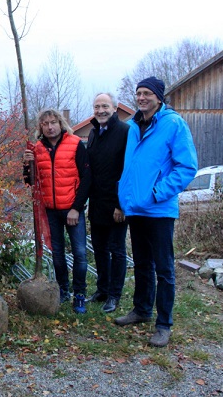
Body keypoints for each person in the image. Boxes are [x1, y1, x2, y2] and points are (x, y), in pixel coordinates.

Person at [115, 77, 198, 347]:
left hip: (159, 209)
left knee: (164, 269)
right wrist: (125, 198)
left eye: (147, 93)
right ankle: (141, 310)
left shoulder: (173, 124)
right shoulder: (132, 127)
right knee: (141, 264)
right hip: (136, 208)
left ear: (159, 97)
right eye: (138, 93)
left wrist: (157, 193)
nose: (141, 98)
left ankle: (164, 324)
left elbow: (186, 167)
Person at [23, 109, 91, 313]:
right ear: (41, 127)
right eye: (45, 124)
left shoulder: (75, 144)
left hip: (72, 209)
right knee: (57, 254)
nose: (50, 127)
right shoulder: (37, 148)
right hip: (50, 211)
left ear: (61, 123)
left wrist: (76, 208)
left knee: (79, 252)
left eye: (53, 122)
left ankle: (80, 294)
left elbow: (87, 179)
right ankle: (63, 290)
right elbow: (29, 181)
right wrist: (27, 164)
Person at [86, 93, 130, 313]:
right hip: (97, 204)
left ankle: (114, 295)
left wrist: (121, 205)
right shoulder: (94, 133)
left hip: (117, 206)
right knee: (100, 250)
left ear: (115, 108)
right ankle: (102, 289)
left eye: (104, 106)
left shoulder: (124, 132)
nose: (100, 110)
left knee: (117, 250)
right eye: (96, 107)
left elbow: (128, 170)